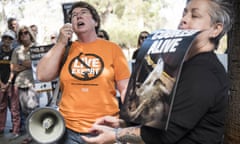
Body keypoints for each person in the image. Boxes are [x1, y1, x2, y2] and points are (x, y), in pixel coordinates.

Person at [81, 0, 233, 143]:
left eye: (195, 15)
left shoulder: (204, 73)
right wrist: (123, 123)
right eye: (184, 13)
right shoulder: (182, 64)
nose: (184, 19)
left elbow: (168, 133)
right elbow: (161, 120)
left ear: (216, 29)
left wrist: (115, 135)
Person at [36, 1, 130, 144]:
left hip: (104, 128)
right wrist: (60, 43)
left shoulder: (113, 49)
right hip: (67, 130)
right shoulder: (66, 49)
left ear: (96, 22)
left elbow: (126, 90)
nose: (78, 16)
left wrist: (128, 126)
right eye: (74, 15)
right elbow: (42, 75)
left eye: (83, 13)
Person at [11, 25, 38, 144]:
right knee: (25, 111)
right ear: (19, 37)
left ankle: (37, 133)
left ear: (30, 34)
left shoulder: (36, 47)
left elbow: (39, 63)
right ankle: (30, 134)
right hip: (20, 83)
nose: (24, 35)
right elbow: (13, 67)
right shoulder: (17, 50)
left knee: (34, 108)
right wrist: (26, 64)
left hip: (34, 82)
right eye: (21, 33)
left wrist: (25, 64)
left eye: (26, 32)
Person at [0, 30, 21, 139]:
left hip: (12, 84)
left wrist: (8, 83)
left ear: (13, 40)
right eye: (5, 38)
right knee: (1, 107)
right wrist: (2, 84)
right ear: (2, 39)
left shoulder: (14, 52)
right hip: (1, 85)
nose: (7, 40)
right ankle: (1, 128)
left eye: (10, 38)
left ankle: (16, 130)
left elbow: (15, 69)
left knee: (14, 108)